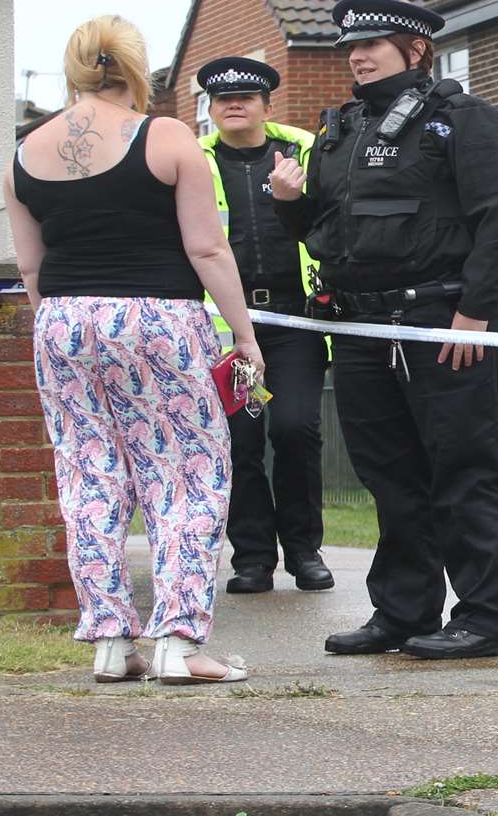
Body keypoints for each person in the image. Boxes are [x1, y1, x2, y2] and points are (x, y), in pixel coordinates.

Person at [4, 15, 261, 685]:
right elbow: (206, 247)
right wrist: (244, 334)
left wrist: (64, 329)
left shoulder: (25, 151)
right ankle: (179, 642)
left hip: (61, 320)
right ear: (137, 68)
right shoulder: (168, 136)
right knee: (184, 477)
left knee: (88, 478)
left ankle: (111, 644)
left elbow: (31, 267)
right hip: (158, 318)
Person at [270, 0, 498, 659]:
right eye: (351, 47)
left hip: (440, 318)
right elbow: (332, 235)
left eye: (373, 45)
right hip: (360, 324)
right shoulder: (341, 130)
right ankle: (404, 611)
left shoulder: (463, 120)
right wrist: (291, 208)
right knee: (389, 474)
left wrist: (474, 314)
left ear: (415, 49)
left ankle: (488, 619)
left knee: (462, 470)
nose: (357, 56)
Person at [195, 56, 334, 597]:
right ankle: (252, 558)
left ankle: (304, 551)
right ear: (210, 108)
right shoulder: (192, 157)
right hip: (224, 326)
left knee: (296, 429)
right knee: (240, 438)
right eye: (224, 99)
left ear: (266, 105)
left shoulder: (306, 150)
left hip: (293, 319)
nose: (235, 105)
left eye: (246, 97)